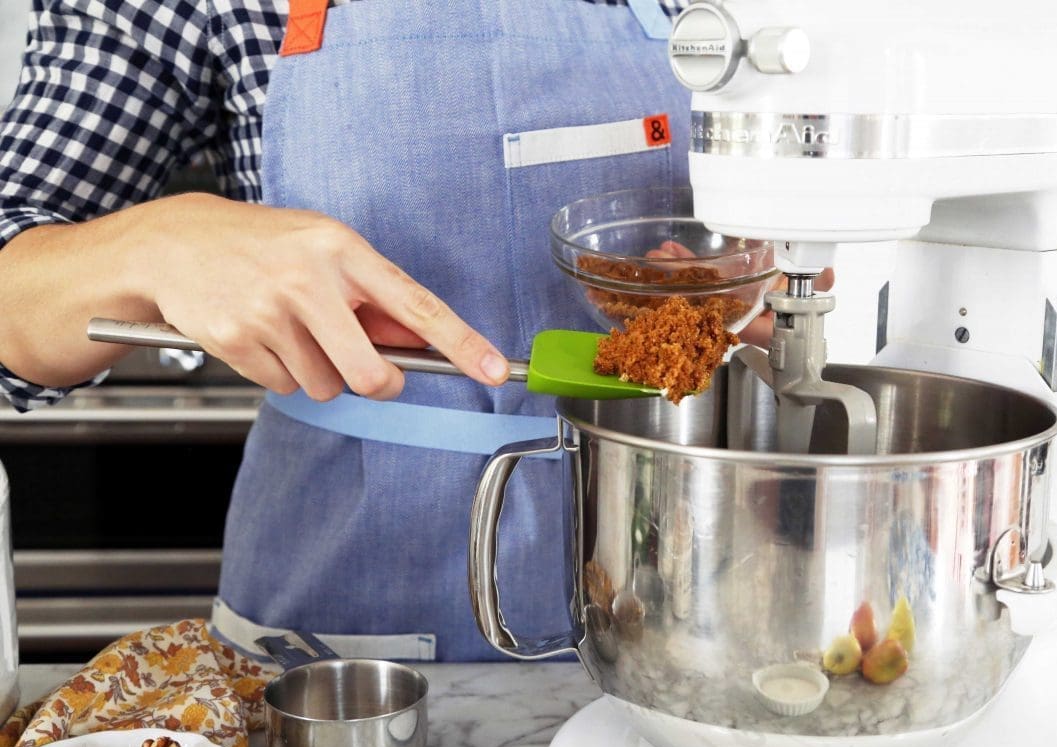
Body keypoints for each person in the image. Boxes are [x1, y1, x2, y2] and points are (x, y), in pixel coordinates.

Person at [0, 0, 819, 661]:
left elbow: (786, 235)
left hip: (674, 601)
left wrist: (749, 287)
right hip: (343, 645)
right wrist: (160, 242)